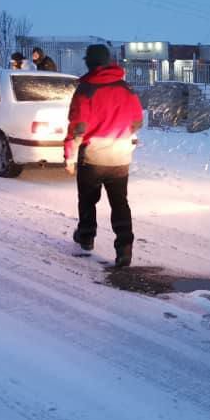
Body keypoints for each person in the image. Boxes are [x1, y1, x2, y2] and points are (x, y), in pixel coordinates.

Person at [64, 44, 144, 266]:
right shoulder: (126, 89)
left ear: (89, 62)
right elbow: (137, 121)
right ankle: (124, 248)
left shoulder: (86, 89)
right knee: (120, 203)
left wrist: (69, 157)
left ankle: (86, 237)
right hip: (120, 156)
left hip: (93, 156)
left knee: (88, 200)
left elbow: (77, 128)